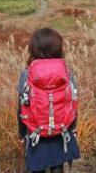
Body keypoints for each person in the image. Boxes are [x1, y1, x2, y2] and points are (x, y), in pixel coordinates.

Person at [17, 28, 81, 173]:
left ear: (34, 48)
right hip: (61, 131)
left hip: (35, 132)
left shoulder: (26, 74)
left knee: (37, 168)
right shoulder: (66, 73)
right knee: (58, 166)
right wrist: (73, 128)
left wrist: (22, 134)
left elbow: (21, 107)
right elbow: (72, 102)